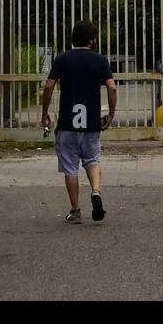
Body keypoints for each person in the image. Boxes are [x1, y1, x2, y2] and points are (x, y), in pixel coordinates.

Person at [41, 20, 117, 224]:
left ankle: (75, 210)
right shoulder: (100, 60)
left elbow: (48, 87)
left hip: (67, 125)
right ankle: (96, 191)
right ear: (92, 40)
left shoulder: (62, 59)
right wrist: (111, 113)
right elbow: (112, 88)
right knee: (92, 160)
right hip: (91, 124)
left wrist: (44, 113)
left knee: (70, 168)